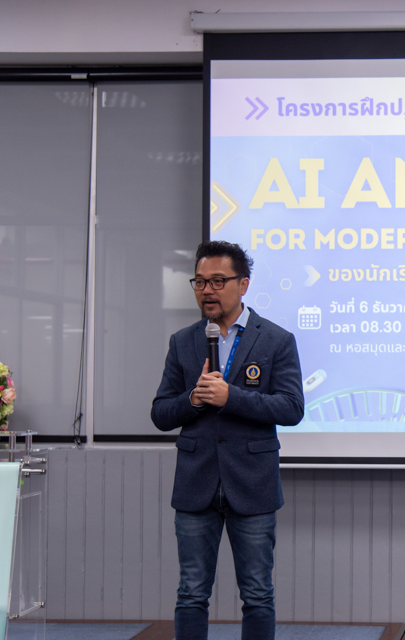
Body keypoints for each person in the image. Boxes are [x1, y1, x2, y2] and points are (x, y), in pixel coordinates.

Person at [151, 240, 304, 640]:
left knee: (257, 594)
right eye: (200, 282)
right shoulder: (183, 341)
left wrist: (230, 397)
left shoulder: (276, 340)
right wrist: (193, 399)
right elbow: (161, 413)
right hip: (195, 484)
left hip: (252, 484)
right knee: (191, 593)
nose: (208, 290)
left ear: (244, 284)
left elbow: (291, 408)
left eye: (218, 281)